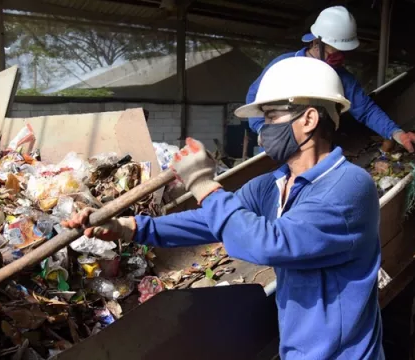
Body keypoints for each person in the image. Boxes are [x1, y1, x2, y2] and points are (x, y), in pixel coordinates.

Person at [63, 57, 384, 359]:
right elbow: (211, 220)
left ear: (309, 118)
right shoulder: (273, 184)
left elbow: (270, 244)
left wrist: (203, 183)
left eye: (271, 117)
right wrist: (130, 227)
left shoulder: (348, 188)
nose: (261, 131)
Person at [246, 5, 415, 154]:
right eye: (333, 51)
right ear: (316, 42)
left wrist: (397, 134)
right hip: (277, 147)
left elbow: (366, 110)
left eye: (342, 53)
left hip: (317, 150)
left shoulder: (341, 77)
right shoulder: (284, 65)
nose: (338, 58)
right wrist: (261, 129)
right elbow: (254, 98)